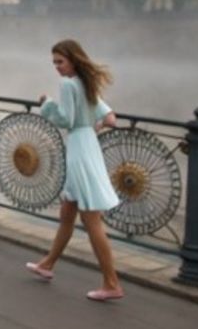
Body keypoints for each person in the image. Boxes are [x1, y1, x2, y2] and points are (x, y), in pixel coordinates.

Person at [26, 39, 124, 302]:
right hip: (88, 145)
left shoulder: (68, 84)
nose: (57, 67)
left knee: (92, 221)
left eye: (60, 61)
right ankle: (47, 264)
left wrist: (46, 104)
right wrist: (94, 126)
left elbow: (64, 119)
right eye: (54, 63)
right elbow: (111, 118)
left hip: (79, 152)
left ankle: (111, 283)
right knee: (67, 214)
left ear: (73, 59)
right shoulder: (87, 83)